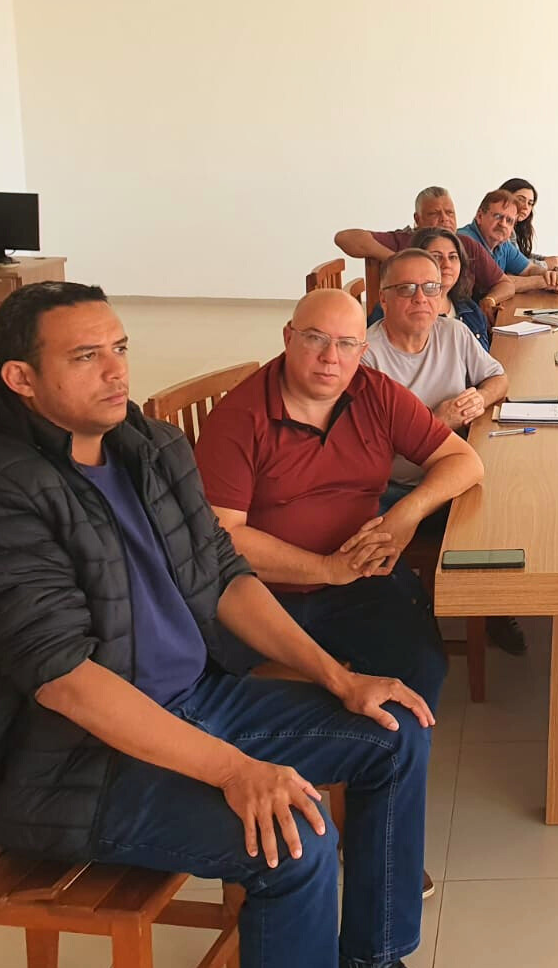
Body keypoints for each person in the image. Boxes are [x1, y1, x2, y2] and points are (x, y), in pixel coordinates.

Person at [0, 281, 436, 968]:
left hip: (199, 697)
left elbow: (222, 575)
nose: (117, 371)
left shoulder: (147, 444)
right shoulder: (13, 489)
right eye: (86, 356)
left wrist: (340, 679)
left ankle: (374, 958)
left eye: (119, 347)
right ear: (21, 378)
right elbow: (63, 681)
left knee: (393, 730)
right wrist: (235, 771)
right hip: (81, 762)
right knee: (297, 839)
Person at [194, 285, 483, 718]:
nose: (331, 357)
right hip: (260, 593)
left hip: (361, 577)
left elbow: (465, 461)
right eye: (315, 338)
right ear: (288, 337)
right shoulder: (239, 418)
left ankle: (380, 759)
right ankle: (348, 757)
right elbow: (222, 538)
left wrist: (404, 515)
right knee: (221, 695)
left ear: (362, 349)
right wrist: (328, 569)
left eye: (346, 344)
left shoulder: (376, 393)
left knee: (421, 671)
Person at [361, 249, 525, 657]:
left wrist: (480, 398)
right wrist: (437, 422)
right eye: (407, 289)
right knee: (495, 510)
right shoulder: (367, 357)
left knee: (520, 491)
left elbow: (498, 377)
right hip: (395, 487)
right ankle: (451, 613)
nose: (421, 298)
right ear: (384, 299)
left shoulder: (452, 333)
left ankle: (493, 604)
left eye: (430, 288)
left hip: (452, 472)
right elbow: (368, 452)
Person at [333, 185, 515, 317]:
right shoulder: (404, 240)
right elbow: (344, 238)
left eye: (449, 213)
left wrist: (490, 300)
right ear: (417, 219)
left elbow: (505, 283)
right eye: (435, 214)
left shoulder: (466, 244)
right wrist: (402, 260)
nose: (444, 219)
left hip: (463, 319)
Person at [461, 189, 558, 294]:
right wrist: (544, 282)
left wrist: (550, 275)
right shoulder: (466, 241)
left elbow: (528, 269)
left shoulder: (502, 244)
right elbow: (497, 283)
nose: (503, 224)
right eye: (498, 216)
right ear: (480, 216)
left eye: (509, 220)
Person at [404, 227, 494, 351]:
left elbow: (485, 364)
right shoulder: (400, 310)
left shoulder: (471, 310)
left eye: (452, 257)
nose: (447, 264)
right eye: (436, 257)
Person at [500, 176, 558, 269]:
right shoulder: (499, 228)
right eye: (520, 200)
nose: (526, 207)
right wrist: (545, 264)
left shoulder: (515, 229)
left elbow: (520, 256)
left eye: (530, 203)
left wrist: (544, 259)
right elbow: (512, 265)